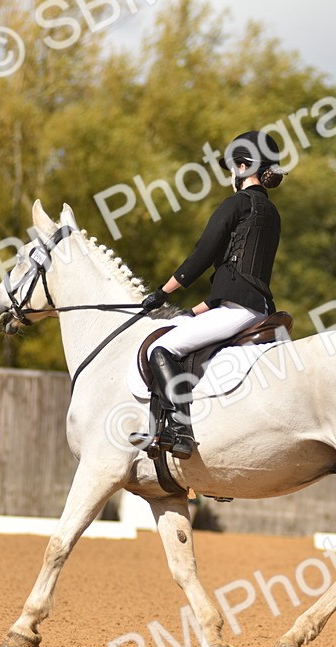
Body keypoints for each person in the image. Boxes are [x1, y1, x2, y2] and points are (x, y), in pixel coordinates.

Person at [136, 130, 285, 459]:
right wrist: (193, 310)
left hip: (238, 311)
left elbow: (202, 255)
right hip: (255, 309)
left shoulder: (236, 204)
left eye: (233, 167)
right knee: (180, 330)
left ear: (244, 166)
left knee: (161, 348)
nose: (231, 175)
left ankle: (179, 429)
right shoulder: (270, 212)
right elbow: (242, 278)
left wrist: (161, 293)